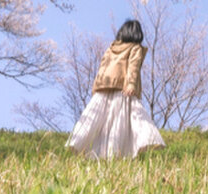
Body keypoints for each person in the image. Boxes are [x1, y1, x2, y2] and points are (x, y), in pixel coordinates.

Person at [66, 19, 165, 158]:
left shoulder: (111, 48)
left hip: (104, 88)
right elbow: (133, 66)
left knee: (99, 120)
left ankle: (82, 145)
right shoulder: (135, 48)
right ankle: (118, 152)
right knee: (121, 120)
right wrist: (131, 83)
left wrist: (96, 87)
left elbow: (102, 66)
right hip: (122, 88)